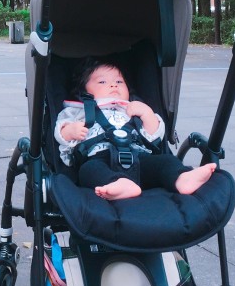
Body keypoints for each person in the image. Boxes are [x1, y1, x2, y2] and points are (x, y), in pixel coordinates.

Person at [55, 58, 216, 200]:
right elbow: (60, 132)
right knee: (88, 171)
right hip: (99, 157)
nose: (113, 85)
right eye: (102, 82)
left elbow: (155, 137)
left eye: (119, 82)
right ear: (84, 92)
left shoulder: (133, 108)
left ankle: (182, 178)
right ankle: (119, 184)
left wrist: (147, 113)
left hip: (139, 158)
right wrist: (70, 131)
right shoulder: (79, 110)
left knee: (166, 162)